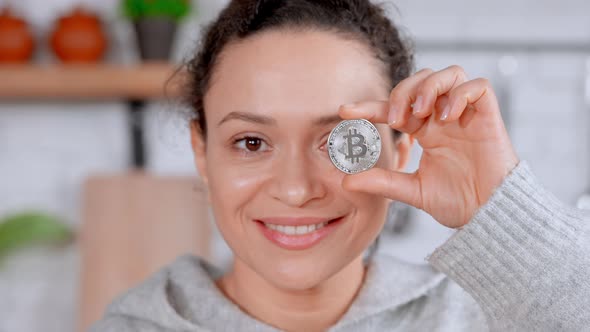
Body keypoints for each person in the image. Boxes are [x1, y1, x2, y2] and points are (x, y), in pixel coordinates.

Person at [90, 1, 590, 331]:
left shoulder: (476, 317)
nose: (295, 190)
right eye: (250, 141)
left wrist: (502, 210)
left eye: (338, 142)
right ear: (202, 152)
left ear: (400, 149)